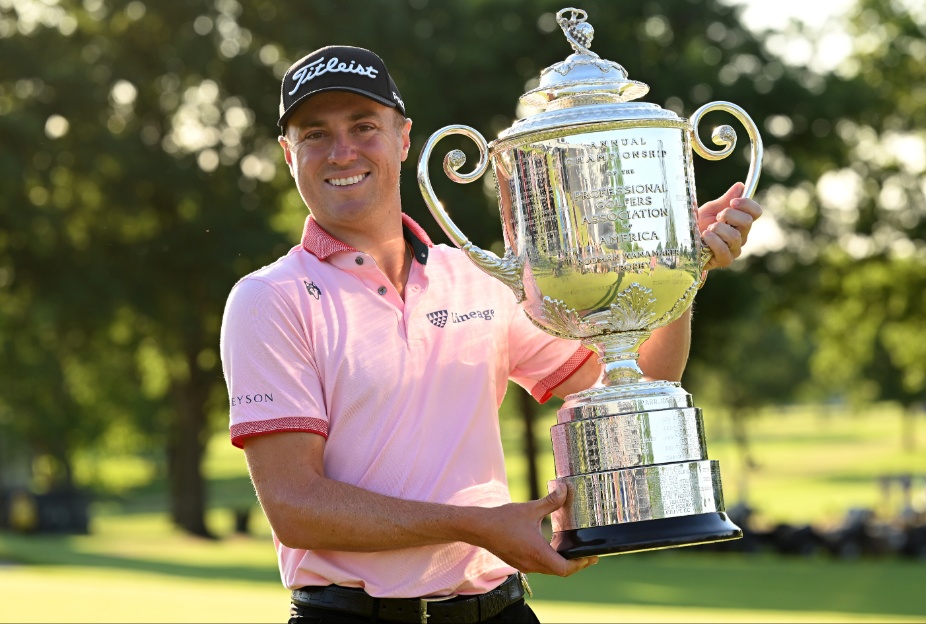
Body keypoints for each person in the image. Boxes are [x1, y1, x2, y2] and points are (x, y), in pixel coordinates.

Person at [220, 45, 762, 624]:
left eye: (363, 126)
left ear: (403, 138)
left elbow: (639, 380)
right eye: (315, 134)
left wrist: (679, 268)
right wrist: (479, 526)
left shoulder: (477, 278)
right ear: (288, 153)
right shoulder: (268, 298)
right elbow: (296, 506)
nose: (342, 151)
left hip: (498, 611)